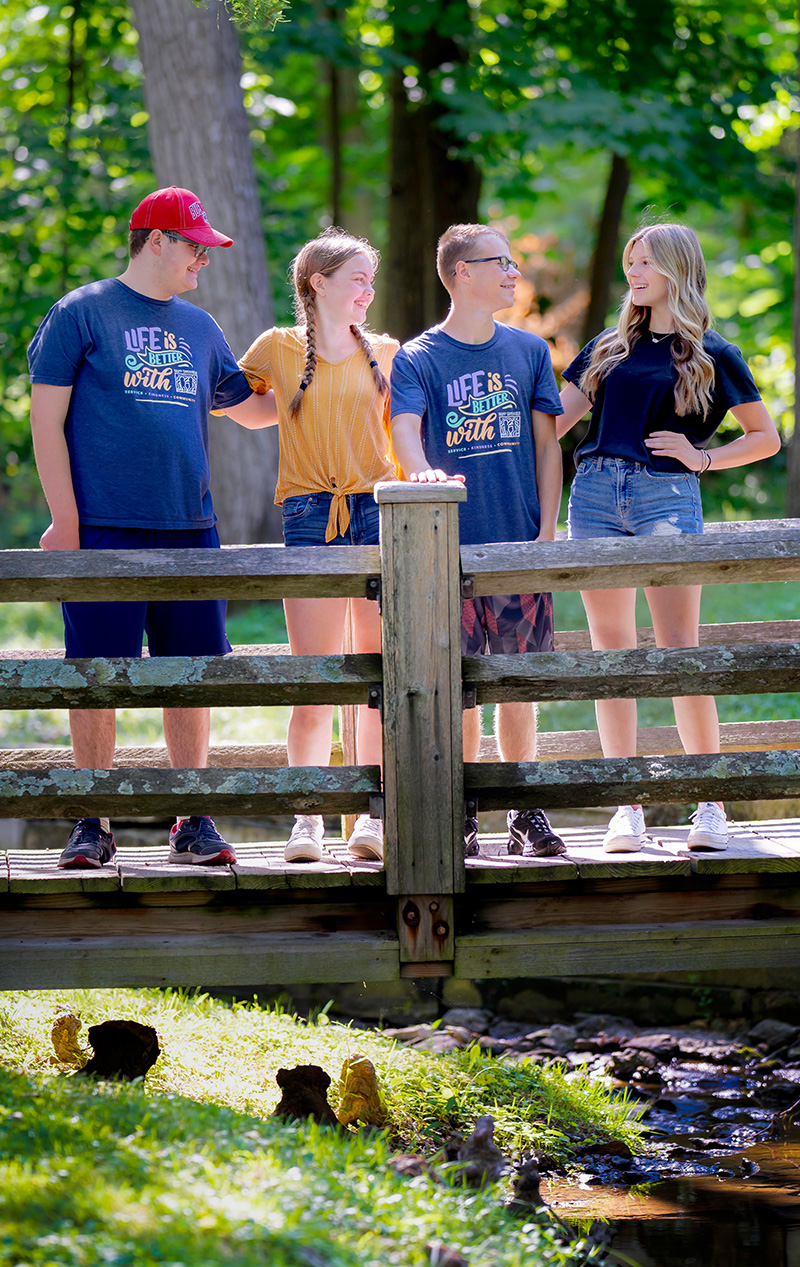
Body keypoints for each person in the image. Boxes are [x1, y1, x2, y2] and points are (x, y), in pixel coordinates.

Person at [27, 185, 277, 870]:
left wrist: (325, 374)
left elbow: (252, 410)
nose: (204, 258)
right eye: (195, 244)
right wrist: (65, 519)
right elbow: (45, 421)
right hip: (104, 527)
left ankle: (191, 817)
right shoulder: (81, 313)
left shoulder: (201, 327)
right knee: (95, 676)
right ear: (156, 240)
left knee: (189, 675)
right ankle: (92, 820)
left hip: (190, 525)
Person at [558, 222, 780, 854]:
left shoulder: (711, 350)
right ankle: (627, 806)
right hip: (595, 495)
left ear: (677, 269)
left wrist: (703, 458)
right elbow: (553, 424)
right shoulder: (607, 347)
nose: (635, 271)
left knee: (682, 652)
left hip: (666, 496)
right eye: (631, 261)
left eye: (647, 261)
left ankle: (708, 805)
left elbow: (766, 438)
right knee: (613, 654)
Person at [390, 222, 566, 859]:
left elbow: (549, 447)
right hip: (445, 553)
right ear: (463, 272)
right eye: (502, 263)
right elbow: (404, 432)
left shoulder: (527, 352)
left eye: (515, 261)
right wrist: (420, 472)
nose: (514, 272)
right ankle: (461, 808)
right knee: (453, 685)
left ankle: (524, 808)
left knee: (517, 684)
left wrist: (546, 531)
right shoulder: (418, 357)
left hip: (518, 547)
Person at [237, 228, 399, 864]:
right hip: (309, 516)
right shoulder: (278, 348)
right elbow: (244, 408)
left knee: (374, 678)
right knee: (316, 678)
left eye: (370, 280)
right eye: (357, 278)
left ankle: (370, 817)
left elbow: (401, 436)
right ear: (318, 283)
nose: (368, 290)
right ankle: (307, 819)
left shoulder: (386, 351)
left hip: (380, 516)